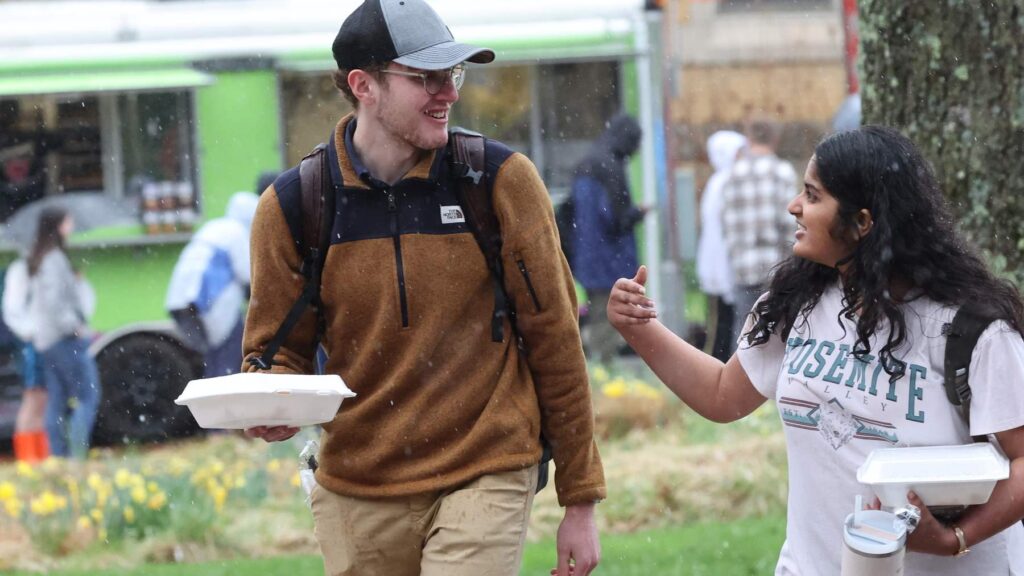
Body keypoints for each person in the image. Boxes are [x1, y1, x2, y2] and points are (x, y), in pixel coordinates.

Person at [241, 2, 606, 576]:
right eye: (426, 78)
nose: (449, 93)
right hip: (356, 486)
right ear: (364, 86)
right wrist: (271, 403)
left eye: (453, 74)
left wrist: (579, 497)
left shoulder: (500, 181)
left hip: (486, 465)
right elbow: (274, 353)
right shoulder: (294, 206)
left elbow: (555, 337)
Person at [608, 126, 1024, 574]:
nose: (794, 206)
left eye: (812, 194)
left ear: (862, 222)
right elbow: (722, 395)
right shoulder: (795, 301)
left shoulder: (971, 329)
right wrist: (641, 329)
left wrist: (951, 539)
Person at [569, 113, 647, 365]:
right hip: (609, 259)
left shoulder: (586, 162)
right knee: (608, 315)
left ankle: (594, 365)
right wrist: (638, 213)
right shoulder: (612, 167)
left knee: (596, 312)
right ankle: (603, 368)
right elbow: (616, 220)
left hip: (587, 256)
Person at [28, 207, 101, 460]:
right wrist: (75, 327)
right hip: (64, 339)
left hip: (48, 340)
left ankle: (58, 457)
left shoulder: (43, 257)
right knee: (88, 396)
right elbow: (55, 303)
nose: (71, 226)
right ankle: (76, 456)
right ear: (58, 225)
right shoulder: (54, 259)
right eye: (68, 221)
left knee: (57, 400)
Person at [165, 191, 259, 378]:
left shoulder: (212, 227)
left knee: (212, 359)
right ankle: (227, 403)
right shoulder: (239, 232)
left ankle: (210, 402)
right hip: (210, 303)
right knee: (228, 358)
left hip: (180, 300)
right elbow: (248, 276)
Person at [720, 117, 797, 345]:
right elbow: (789, 224)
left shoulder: (732, 175)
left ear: (748, 139)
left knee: (743, 331)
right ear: (775, 139)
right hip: (776, 268)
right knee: (779, 335)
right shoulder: (781, 172)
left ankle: (739, 379)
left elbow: (726, 223)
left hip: (742, 267)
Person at [695, 130, 747, 361]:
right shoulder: (723, 183)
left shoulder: (724, 182)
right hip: (720, 263)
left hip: (727, 261)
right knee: (719, 325)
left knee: (727, 321)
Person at [2, 256, 48, 462]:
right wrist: (31, 332)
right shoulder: (21, 268)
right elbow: (12, 310)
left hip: (38, 341)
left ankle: (38, 456)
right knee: (33, 397)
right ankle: (29, 457)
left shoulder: (38, 265)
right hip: (32, 342)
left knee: (40, 400)